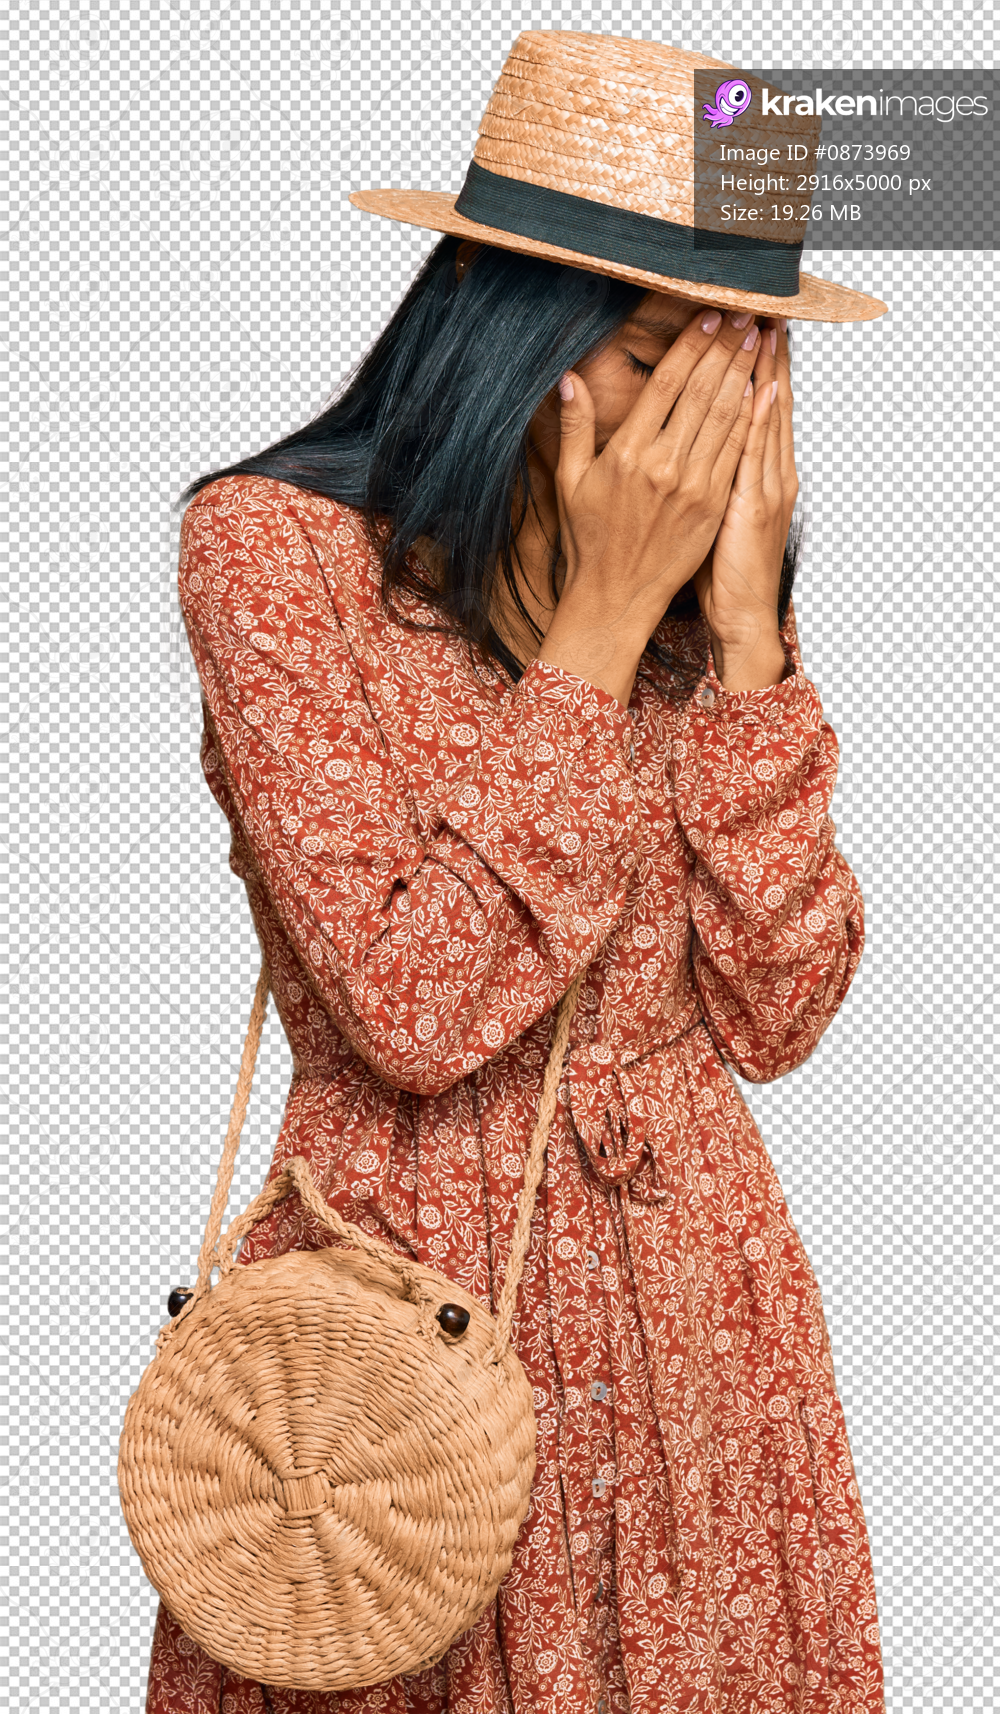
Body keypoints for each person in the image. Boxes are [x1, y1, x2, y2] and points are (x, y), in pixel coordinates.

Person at [145, 30, 887, 1714]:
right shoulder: (272, 554)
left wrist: (755, 641)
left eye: (748, 366)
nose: (703, 433)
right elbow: (414, 1004)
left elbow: (779, 1010)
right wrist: (602, 633)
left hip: (704, 1313)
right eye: (654, 361)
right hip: (409, 1304)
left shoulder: (720, 607)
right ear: (512, 337)